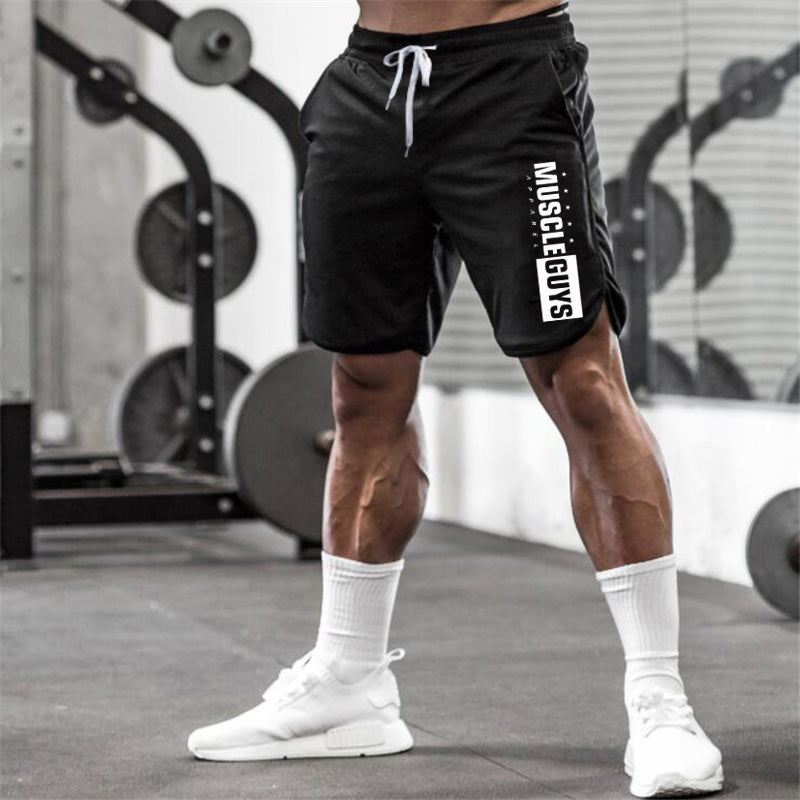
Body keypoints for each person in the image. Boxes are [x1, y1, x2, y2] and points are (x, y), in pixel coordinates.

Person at [187, 1, 724, 796]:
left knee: (581, 382)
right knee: (363, 389)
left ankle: (660, 701)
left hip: (510, 82)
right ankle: (350, 679)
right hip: (368, 87)